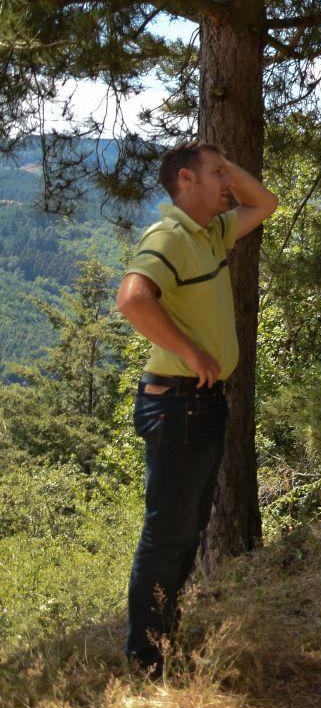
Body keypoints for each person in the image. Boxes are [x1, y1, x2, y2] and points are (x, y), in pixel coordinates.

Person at [116, 142, 278, 677]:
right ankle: (145, 663)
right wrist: (191, 350)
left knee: (185, 534)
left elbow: (266, 202)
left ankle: (166, 641)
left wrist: (228, 167)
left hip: (199, 404)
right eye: (215, 174)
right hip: (178, 405)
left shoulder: (208, 232)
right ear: (186, 179)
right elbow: (133, 298)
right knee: (166, 536)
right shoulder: (169, 236)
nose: (228, 183)